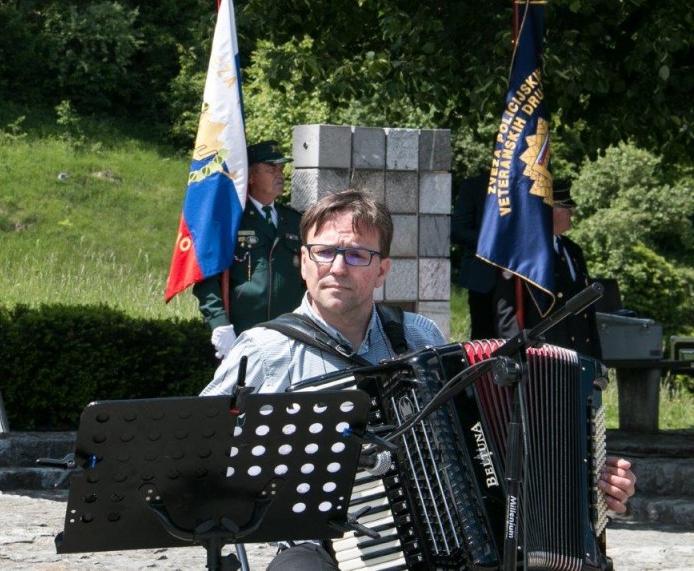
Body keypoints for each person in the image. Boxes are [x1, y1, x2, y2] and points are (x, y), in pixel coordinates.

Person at [203, 188, 635, 570]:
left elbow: (479, 440)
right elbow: (202, 450)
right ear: (303, 262)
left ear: (382, 270)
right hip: (317, 544)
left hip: (439, 542)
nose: (337, 267)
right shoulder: (265, 350)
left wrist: (587, 479)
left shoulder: (418, 337)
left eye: (356, 255)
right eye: (324, 252)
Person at [193, 140, 304, 359]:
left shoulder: (294, 221)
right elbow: (207, 275)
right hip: (243, 333)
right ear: (250, 177)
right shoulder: (232, 220)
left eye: (281, 168)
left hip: (289, 334)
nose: (280, 174)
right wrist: (219, 323)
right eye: (271, 168)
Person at [493, 179, 602, 359]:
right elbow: (508, 309)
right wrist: (514, 354)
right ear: (550, 211)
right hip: (545, 356)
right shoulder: (522, 252)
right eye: (568, 209)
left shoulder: (573, 251)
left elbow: (587, 310)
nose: (572, 214)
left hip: (580, 354)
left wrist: (597, 360)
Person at [451, 172, 499, 339]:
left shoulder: (527, 183)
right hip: (485, 278)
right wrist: (494, 242)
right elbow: (458, 231)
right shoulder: (476, 185)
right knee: (484, 340)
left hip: (522, 278)